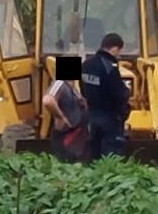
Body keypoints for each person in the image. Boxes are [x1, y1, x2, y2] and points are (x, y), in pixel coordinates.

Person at [81, 31, 130, 160]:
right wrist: (127, 93)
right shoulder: (109, 67)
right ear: (114, 49)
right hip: (109, 118)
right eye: (119, 51)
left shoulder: (85, 65)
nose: (118, 55)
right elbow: (118, 93)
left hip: (91, 116)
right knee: (110, 156)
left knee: (93, 154)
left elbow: (82, 90)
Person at [44, 70, 91, 164]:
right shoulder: (59, 84)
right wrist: (61, 117)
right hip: (65, 133)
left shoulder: (72, 87)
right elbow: (48, 100)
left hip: (76, 133)